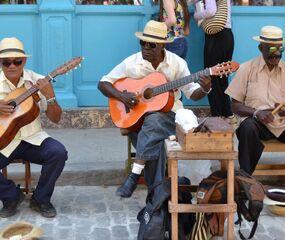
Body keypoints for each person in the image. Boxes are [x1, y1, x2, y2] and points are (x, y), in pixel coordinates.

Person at [98, 20, 211, 198]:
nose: (145, 48)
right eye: (142, 43)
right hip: (137, 121)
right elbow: (103, 83)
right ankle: (156, 196)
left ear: (162, 46)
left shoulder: (177, 64)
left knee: (156, 120)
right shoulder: (131, 62)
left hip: (169, 118)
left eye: (151, 45)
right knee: (155, 140)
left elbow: (192, 93)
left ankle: (137, 177)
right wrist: (122, 97)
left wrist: (204, 88)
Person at [0, 37, 68, 218]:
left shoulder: (37, 81)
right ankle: (11, 196)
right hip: (4, 142)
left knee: (58, 153)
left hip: (33, 139)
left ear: (25, 61)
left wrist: (51, 96)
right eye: (6, 62)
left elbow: (56, 119)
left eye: (17, 61)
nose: (12, 66)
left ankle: (41, 199)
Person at [225, 26, 285, 175]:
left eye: (280, 50)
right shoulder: (246, 69)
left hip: (282, 124)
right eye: (271, 49)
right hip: (258, 123)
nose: (276, 54)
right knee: (247, 128)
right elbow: (235, 105)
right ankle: (245, 179)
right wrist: (257, 112)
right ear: (261, 48)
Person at [194, 0, 235, 123]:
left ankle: (217, 116)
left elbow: (211, 11)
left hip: (215, 37)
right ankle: (228, 114)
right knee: (223, 77)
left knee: (211, 77)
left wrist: (196, 15)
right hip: (227, 36)